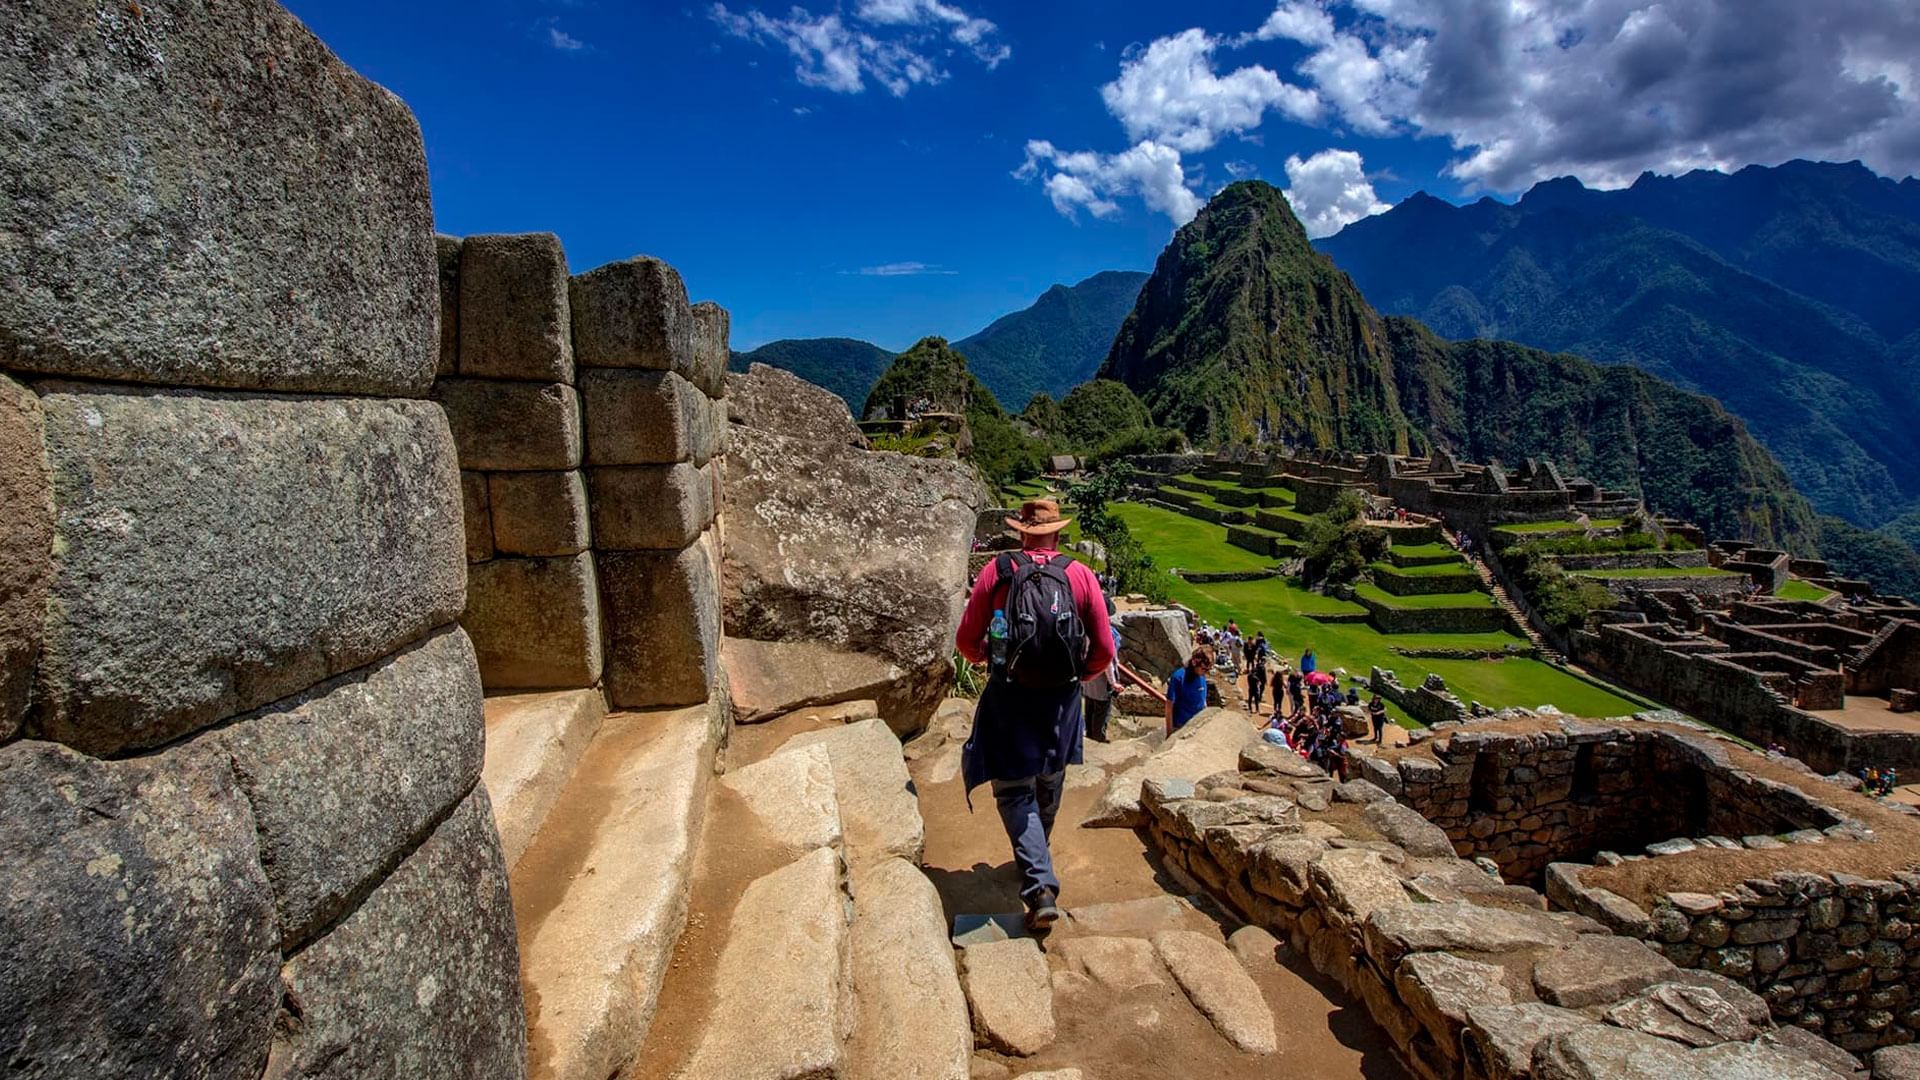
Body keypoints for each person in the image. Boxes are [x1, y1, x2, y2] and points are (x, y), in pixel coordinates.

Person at [957, 499, 1116, 932]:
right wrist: (1077, 676)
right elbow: (1103, 648)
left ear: (1022, 533)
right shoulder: (1078, 574)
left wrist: (984, 658)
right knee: (1050, 776)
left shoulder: (999, 572)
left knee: (1013, 790)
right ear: (1058, 534)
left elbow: (967, 639)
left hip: (1009, 694)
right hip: (1061, 700)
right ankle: (1037, 852)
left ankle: (1040, 884)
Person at [1081, 610, 1121, 744]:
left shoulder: (1085, 631)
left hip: (1088, 681)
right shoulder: (1104, 633)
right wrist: (1113, 682)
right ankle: (1098, 741)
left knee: (1089, 711)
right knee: (1100, 715)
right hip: (1101, 685)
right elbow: (1107, 660)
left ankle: (1091, 738)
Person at [1166, 646, 1214, 734]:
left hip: (1198, 725)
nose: (1205, 672)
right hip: (1181, 727)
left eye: (1207, 670)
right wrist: (1169, 731)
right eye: (1203, 669)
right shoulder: (1178, 677)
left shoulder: (1201, 675)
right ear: (1194, 662)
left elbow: (1203, 700)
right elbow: (1169, 706)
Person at [1245, 633, 1269, 713]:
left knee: (1251, 698)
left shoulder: (1251, 675)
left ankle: (1251, 708)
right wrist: (1263, 681)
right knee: (1255, 697)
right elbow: (1261, 677)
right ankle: (1256, 708)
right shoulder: (1258, 672)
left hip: (1251, 688)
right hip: (1255, 688)